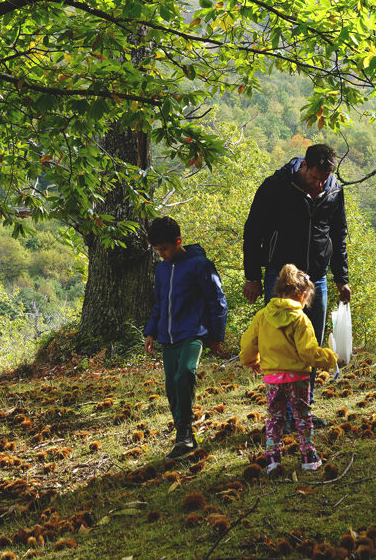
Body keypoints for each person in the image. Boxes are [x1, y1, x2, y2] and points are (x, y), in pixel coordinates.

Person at [242, 143, 350, 426]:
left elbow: (338, 235)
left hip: (317, 278)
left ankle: (303, 410)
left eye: (323, 179)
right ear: (304, 165)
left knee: (309, 341)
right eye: (314, 178)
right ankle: (281, 412)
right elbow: (253, 231)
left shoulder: (334, 191)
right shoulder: (276, 186)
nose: (318, 184)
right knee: (280, 343)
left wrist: (342, 278)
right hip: (281, 276)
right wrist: (252, 275)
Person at [144, 215, 228, 459]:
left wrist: (216, 336)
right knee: (172, 386)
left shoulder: (200, 265)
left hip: (194, 333)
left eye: (164, 249)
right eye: (157, 250)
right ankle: (184, 437)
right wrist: (151, 331)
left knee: (185, 373)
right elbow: (159, 303)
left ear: (178, 241)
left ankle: (185, 432)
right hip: (167, 338)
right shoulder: (161, 270)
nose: (161, 254)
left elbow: (217, 300)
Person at [240, 264, 337, 473]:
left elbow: (248, 343)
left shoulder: (263, 315)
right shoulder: (301, 319)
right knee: (302, 417)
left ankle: (273, 458)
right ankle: (308, 456)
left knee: (274, 418)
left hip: (272, 378)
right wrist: (330, 358)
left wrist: (250, 360)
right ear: (302, 294)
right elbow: (308, 352)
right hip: (297, 377)